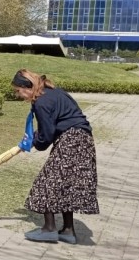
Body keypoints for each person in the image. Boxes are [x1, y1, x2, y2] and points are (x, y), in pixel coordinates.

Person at [12, 69, 99, 245]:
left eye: (18, 90)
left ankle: (49, 229)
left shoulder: (41, 102)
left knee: (46, 183)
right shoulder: (54, 92)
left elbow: (46, 135)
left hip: (71, 141)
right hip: (83, 140)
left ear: (27, 86)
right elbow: (51, 126)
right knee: (64, 186)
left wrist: (34, 141)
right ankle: (68, 231)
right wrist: (35, 137)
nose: (18, 95)